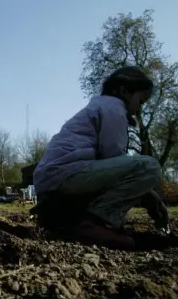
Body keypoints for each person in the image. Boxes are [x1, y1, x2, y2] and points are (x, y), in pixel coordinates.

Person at [30, 66, 169, 250]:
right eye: (140, 102)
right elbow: (114, 158)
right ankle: (97, 223)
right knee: (149, 167)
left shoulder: (99, 106)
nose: (138, 111)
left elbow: (109, 167)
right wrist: (150, 197)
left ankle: (65, 221)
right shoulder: (113, 107)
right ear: (124, 91)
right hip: (65, 175)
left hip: (54, 180)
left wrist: (148, 196)